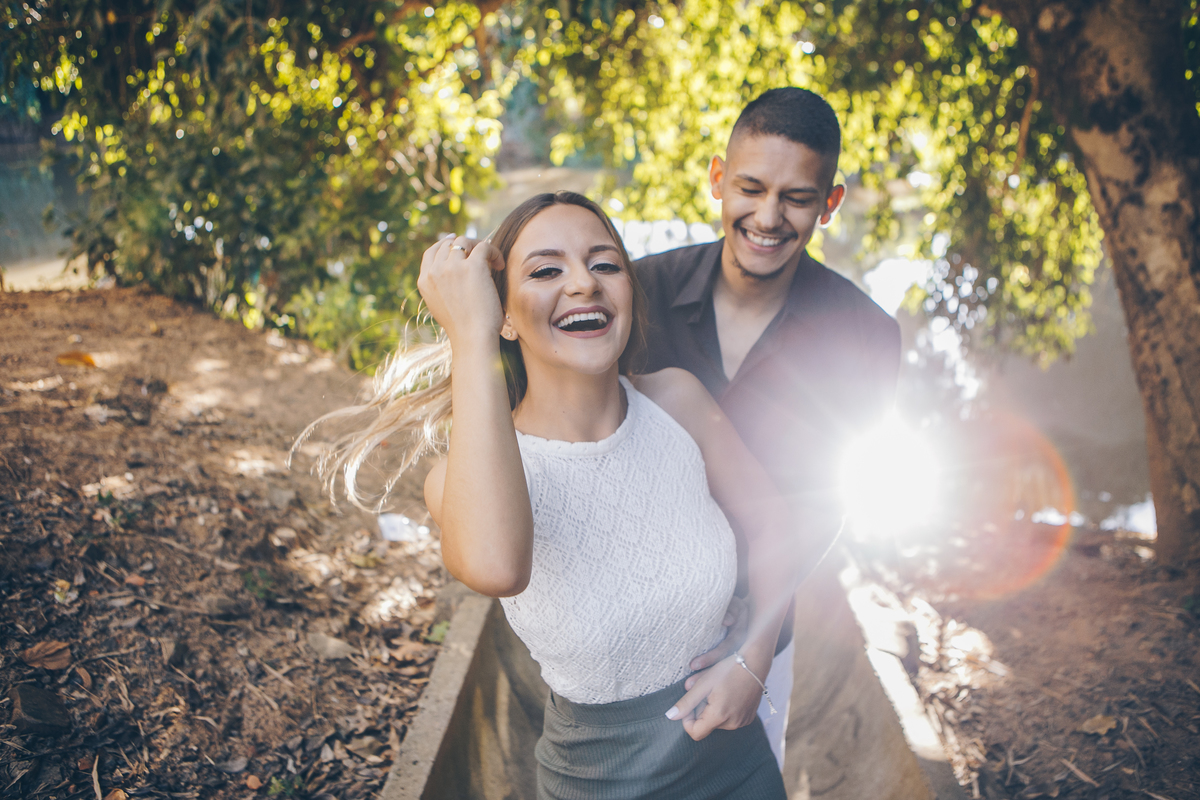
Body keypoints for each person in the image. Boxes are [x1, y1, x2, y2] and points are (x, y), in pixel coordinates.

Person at [306, 192, 810, 798]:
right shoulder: (457, 482)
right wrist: (471, 334)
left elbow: (777, 525)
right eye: (547, 270)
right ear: (505, 316)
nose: (583, 283)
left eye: (605, 264)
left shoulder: (677, 402)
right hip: (599, 785)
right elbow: (496, 566)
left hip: (740, 769)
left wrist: (754, 659)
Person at [635, 87, 903, 769]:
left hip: (755, 632)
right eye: (751, 188)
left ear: (829, 204)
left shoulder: (866, 335)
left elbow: (828, 506)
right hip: (625, 614)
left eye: (797, 198)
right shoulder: (637, 293)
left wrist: (753, 651)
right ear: (719, 181)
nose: (768, 217)